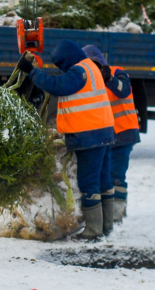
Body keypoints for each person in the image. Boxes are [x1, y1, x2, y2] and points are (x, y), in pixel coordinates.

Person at [17, 40, 115, 239]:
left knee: (89, 183)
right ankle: (106, 226)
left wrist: (32, 72)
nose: (62, 69)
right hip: (103, 133)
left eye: (61, 64)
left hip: (89, 136)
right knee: (103, 180)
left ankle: (93, 231)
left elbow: (56, 86)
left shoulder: (79, 71)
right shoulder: (90, 68)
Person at [82, 45, 140, 223]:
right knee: (106, 176)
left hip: (123, 132)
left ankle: (118, 213)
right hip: (106, 136)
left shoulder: (117, 72)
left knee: (116, 176)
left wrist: (109, 79)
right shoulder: (88, 80)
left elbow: (124, 90)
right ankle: (110, 214)